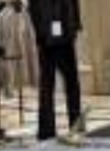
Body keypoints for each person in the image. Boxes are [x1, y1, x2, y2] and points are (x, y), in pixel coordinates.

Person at [29, 0, 82, 140]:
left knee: (64, 84)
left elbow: (74, 4)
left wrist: (75, 26)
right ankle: (51, 129)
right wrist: (39, 34)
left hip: (59, 36)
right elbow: (33, 8)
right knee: (52, 85)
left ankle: (70, 126)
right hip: (50, 38)